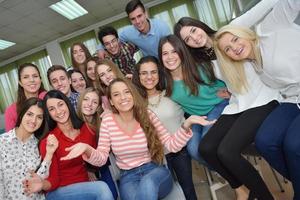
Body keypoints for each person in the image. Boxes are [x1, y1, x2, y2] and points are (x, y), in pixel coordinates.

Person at [60, 78, 214, 200]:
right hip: (128, 178)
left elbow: (171, 145)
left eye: (126, 92)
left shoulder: (148, 115)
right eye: (116, 94)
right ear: (111, 102)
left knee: (148, 184)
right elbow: (101, 159)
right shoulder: (108, 122)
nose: (123, 97)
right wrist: (87, 149)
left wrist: (186, 125)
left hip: (155, 171)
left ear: (133, 95)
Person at [212, 0, 300, 199]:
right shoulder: (253, 64)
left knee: (293, 145)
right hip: (292, 99)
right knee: (264, 141)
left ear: (243, 32)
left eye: (234, 39)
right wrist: (232, 93)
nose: (234, 48)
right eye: (227, 49)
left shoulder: (268, 28)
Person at [198, 24, 280, 200]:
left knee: (226, 151)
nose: (194, 37)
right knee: (206, 148)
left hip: (262, 99)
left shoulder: (234, 39)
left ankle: (265, 197)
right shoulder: (212, 59)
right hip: (238, 103)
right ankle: (242, 187)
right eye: (188, 39)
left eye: (193, 30)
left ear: (201, 27)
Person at [24, 90, 114, 200]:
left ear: (67, 104)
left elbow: (96, 165)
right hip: (59, 191)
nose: (58, 111)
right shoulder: (49, 141)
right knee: (102, 188)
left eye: (60, 105)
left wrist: (87, 153)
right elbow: (53, 181)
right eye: (52, 109)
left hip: (86, 188)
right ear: (48, 114)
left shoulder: (86, 129)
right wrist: (42, 184)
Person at [132, 56, 198, 200]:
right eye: (144, 73)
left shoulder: (171, 92)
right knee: (167, 195)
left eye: (153, 72)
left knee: (187, 191)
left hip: (180, 151)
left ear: (159, 74)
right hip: (155, 157)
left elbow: (196, 101)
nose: (149, 77)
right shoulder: (135, 103)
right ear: (138, 76)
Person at [158, 35, 228, 165]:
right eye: (165, 53)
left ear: (181, 52)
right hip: (196, 116)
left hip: (217, 105)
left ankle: (231, 171)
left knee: (207, 144)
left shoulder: (199, 68)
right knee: (193, 150)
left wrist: (229, 91)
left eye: (174, 51)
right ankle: (223, 170)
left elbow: (225, 78)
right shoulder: (164, 82)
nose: (170, 57)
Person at [0, 97, 58, 200]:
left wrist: (49, 154)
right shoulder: (2, 142)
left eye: (39, 117)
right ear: (22, 114)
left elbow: (39, 180)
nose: (33, 120)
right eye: (30, 114)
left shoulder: (39, 144)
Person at [77, 87, 118, 199]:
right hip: (85, 170)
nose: (89, 104)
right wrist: (88, 170)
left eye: (94, 102)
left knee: (113, 194)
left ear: (98, 106)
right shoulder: (75, 124)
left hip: (104, 166)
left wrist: (111, 116)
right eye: (86, 99)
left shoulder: (101, 123)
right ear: (81, 101)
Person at [97, 0, 170, 58]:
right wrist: (100, 49)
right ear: (129, 20)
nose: (137, 21)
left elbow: (172, 47)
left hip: (166, 60)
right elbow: (111, 38)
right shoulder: (128, 32)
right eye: (133, 19)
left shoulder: (162, 27)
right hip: (151, 64)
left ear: (145, 13)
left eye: (139, 16)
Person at [5, 63, 47, 132]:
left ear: (40, 79)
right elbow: (12, 139)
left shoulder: (48, 98)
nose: (31, 80)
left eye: (35, 76)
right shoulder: (11, 111)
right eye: (26, 77)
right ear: (20, 82)